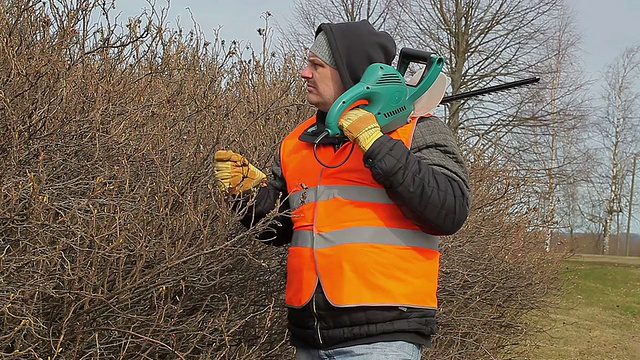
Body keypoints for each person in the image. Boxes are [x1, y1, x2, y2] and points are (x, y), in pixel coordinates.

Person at [214, 20, 470, 360]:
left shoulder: (417, 131)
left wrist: (375, 144)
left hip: (384, 336)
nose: (304, 73)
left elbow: (449, 211)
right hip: (310, 337)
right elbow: (282, 230)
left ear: (354, 78)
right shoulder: (297, 142)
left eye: (317, 66)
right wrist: (246, 195)